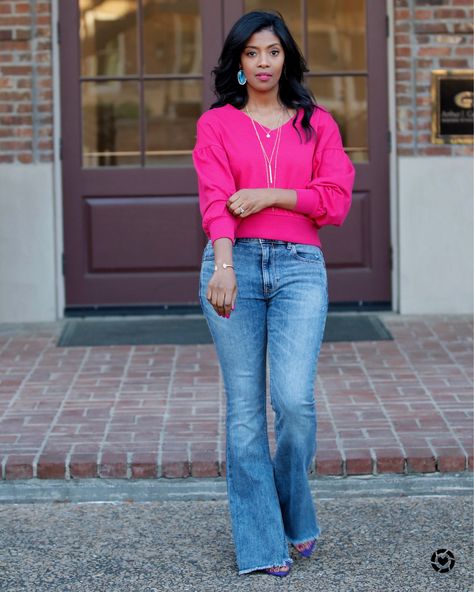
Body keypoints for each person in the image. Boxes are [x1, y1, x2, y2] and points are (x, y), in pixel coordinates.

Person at [192, 10, 355, 578]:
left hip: (298, 270)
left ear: (288, 59)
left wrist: (269, 195)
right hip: (232, 264)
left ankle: (295, 510)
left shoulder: (318, 124)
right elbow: (217, 199)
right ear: (238, 62)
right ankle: (262, 544)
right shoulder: (215, 125)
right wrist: (225, 265)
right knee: (243, 413)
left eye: (274, 52)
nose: (264, 63)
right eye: (252, 53)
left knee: (293, 403)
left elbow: (334, 201)